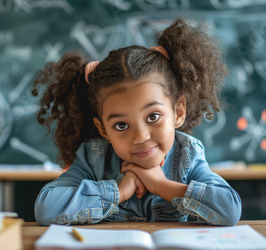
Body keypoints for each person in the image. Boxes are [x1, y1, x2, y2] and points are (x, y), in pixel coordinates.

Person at [32, 18, 241, 226]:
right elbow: (46, 209)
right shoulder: (93, 157)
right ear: (103, 129)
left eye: (153, 117)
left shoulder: (187, 154)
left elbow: (229, 210)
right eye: (121, 125)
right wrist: (119, 191)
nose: (141, 136)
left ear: (178, 112)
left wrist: (160, 184)